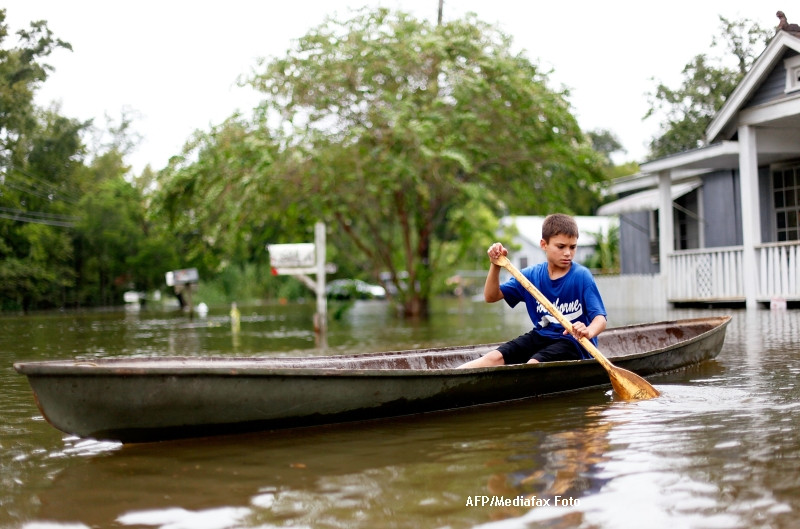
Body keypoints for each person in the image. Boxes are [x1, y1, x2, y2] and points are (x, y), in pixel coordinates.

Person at [458, 213, 607, 368]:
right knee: (493, 358)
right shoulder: (529, 276)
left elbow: (600, 319)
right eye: (561, 246)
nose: (568, 253)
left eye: (573, 247)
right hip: (541, 336)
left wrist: (588, 331)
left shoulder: (581, 276)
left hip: (574, 343)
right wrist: (495, 265)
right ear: (544, 245)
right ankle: (449, 377)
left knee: (533, 364)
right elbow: (491, 296)